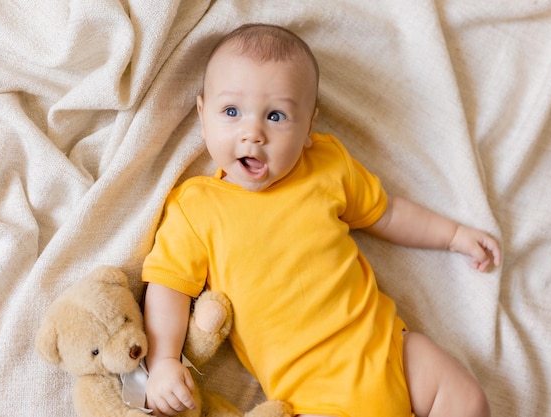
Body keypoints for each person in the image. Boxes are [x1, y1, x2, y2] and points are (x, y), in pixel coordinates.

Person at [141, 23, 501, 417]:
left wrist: (453, 235)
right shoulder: (197, 208)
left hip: (389, 351)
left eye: (276, 116)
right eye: (231, 111)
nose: (253, 133)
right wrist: (163, 362)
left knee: (468, 400)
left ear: (309, 127)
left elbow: (387, 212)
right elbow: (168, 287)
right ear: (202, 114)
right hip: (312, 398)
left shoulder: (326, 166)